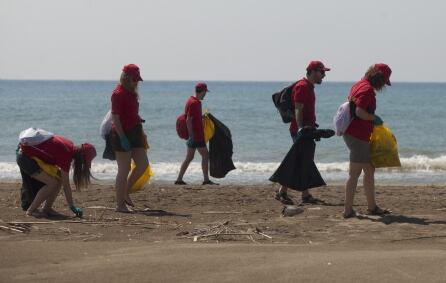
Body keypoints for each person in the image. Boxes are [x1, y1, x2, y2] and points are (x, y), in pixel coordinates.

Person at [275, 60, 330, 205]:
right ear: (312, 72)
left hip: (308, 130)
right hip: (300, 131)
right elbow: (298, 108)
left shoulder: (309, 87)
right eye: (322, 72)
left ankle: (304, 195)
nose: (323, 75)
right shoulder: (302, 87)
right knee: (298, 161)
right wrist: (300, 129)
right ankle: (282, 192)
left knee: (303, 161)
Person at [342, 63, 393, 218]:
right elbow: (359, 112)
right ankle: (348, 210)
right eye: (384, 82)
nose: (383, 86)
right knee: (355, 173)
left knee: (369, 170)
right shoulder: (367, 90)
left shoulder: (359, 84)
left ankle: (372, 207)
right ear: (378, 78)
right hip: (357, 136)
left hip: (355, 134)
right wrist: (374, 118)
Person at [17, 135, 96, 217]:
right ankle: (30, 211)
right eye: (84, 162)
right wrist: (72, 207)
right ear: (81, 156)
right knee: (52, 183)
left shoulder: (69, 146)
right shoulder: (67, 153)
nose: (82, 164)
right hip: (25, 157)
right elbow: (66, 185)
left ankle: (47, 209)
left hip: (27, 155)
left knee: (58, 179)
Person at [110, 64, 149, 212]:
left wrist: (139, 123)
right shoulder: (118, 93)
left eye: (137, 80)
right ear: (126, 78)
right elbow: (115, 117)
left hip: (136, 132)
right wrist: (122, 137)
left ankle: (125, 192)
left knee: (143, 164)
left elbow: (130, 112)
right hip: (122, 134)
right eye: (134, 79)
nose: (136, 82)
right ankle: (120, 205)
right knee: (124, 169)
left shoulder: (132, 93)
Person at [175, 82, 218, 185]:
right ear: (202, 91)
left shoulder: (191, 100)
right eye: (205, 92)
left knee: (189, 158)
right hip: (196, 135)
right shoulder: (195, 103)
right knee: (206, 156)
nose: (205, 94)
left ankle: (179, 179)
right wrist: (192, 135)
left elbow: (192, 117)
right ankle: (206, 180)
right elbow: (188, 120)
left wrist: (202, 117)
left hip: (193, 136)